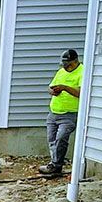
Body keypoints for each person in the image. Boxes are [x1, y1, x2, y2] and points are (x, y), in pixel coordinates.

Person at [39, 49, 82, 178]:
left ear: (75, 61)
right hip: (54, 112)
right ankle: (55, 165)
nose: (66, 66)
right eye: (64, 64)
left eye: (68, 64)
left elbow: (80, 93)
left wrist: (64, 88)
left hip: (70, 114)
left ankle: (56, 165)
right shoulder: (61, 72)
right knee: (52, 139)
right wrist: (53, 91)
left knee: (61, 138)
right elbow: (50, 87)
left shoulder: (82, 72)